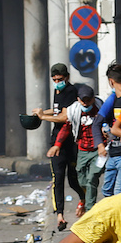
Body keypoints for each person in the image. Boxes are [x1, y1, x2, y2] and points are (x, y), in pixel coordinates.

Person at [33, 63, 85, 231]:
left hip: (70, 142)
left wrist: (43, 117)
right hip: (56, 141)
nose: (57, 82)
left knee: (73, 179)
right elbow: (57, 111)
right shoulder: (57, 91)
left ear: (67, 77)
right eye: (54, 80)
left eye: (60, 79)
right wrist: (41, 113)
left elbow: (64, 117)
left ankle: (84, 199)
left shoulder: (70, 92)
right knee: (58, 178)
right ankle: (60, 215)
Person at [54, 84, 104, 212]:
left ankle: (90, 210)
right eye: (83, 100)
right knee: (81, 181)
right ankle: (85, 199)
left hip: (98, 150)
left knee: (92, 178)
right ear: (78, 99)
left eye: (88, 100)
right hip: (82, 150)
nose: (86, 103)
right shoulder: (74, 110)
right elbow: (66, 128)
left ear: (93, 99)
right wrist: (57, 145)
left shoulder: (100, 108)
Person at [92, 63, 121, 198]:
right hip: (113, 152)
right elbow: (98, 122)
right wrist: (103, 138)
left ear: (111, 82)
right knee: (107, 191)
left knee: (120, 192)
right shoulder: (114, 99)